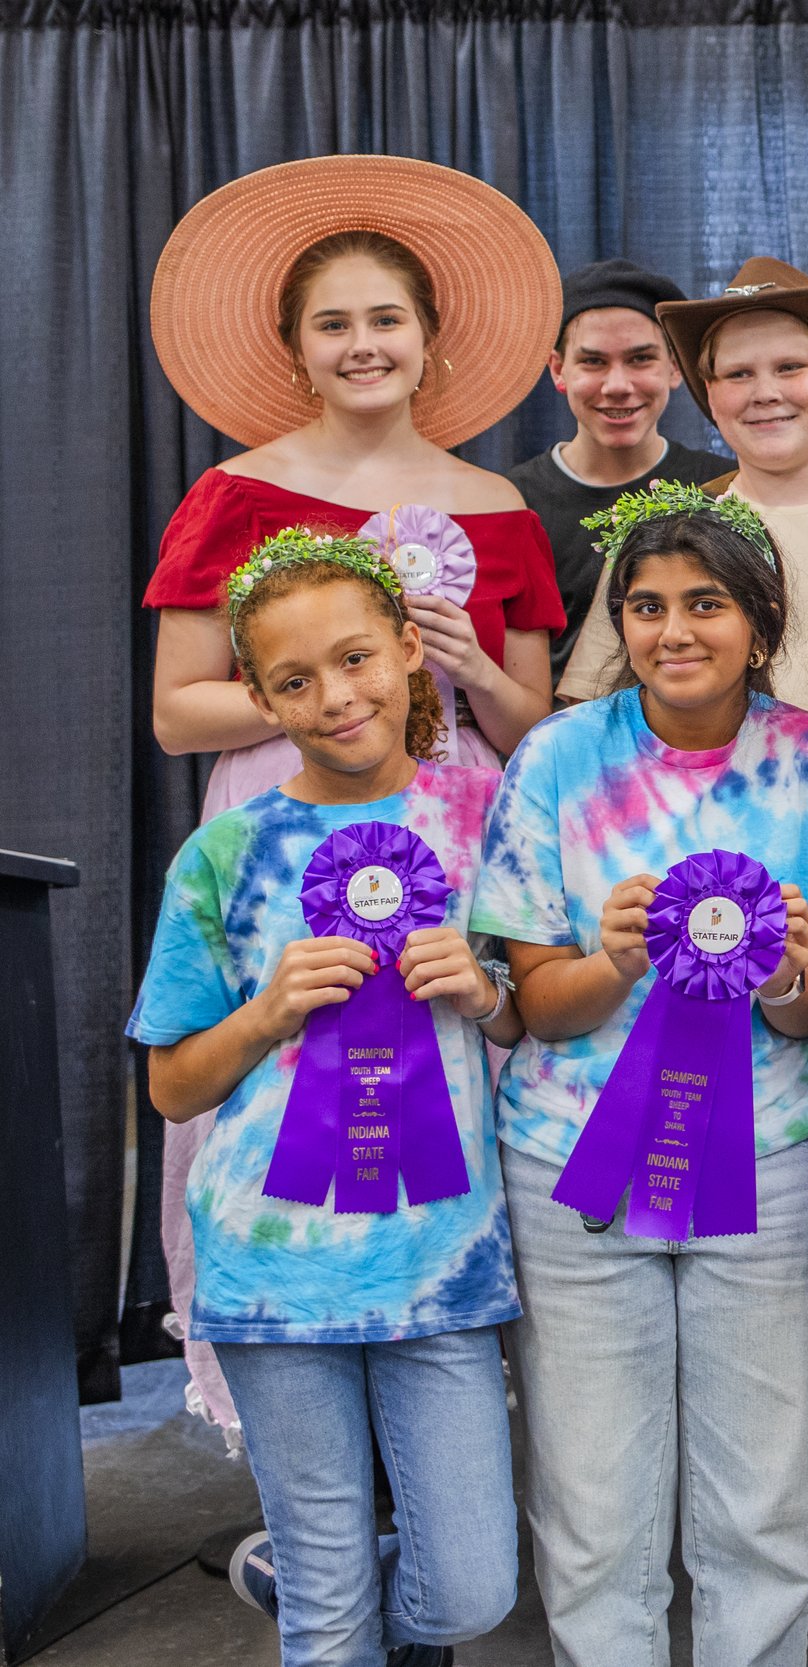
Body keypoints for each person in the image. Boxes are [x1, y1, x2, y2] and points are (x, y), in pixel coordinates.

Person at [143, 155, 565, 1439]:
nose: (364, 342)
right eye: (335, 322)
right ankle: (300, 1424)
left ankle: (451, 1403)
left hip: (455, 819)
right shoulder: (235, 495)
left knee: (456, 1073)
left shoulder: (498, 507)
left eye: (388, 318)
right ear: (295, 349)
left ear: (431, 343)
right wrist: (327, 698)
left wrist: (460, 665)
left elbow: (532, 723)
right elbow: (175, 708)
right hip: (285, 823)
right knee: (290, 1071)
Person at [477, 487, 808, 1667]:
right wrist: (611, 957)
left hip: (767, 1166)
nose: (673, 629)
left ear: (758, 618)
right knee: (594, 1507)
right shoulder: (556, 756)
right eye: (644, 606)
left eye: (704, 602)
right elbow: (536, 1008)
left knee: (766, 1499)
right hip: (572, 1167)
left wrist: (781, 973)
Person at [131, 531, 526, 1666]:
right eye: (294, 681)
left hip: (443, 1260)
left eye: (356, 660)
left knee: (468, 1589)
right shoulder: (223, 852)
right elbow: (170, 1085)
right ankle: (308, 1579)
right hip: (270, 1263)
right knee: (332, 1610)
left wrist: (486, 989)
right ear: (257, 696)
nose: (335, 697)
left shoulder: (488, 812)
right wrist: (262, 1014)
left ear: (410, 649)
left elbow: (533, 1014)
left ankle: (297, 1570)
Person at [559, 256, 808, 716]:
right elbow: (592, 706)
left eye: (790, 367)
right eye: (738, 374)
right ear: (710, 395)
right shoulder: (664, 530)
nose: (766, 392)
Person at [506, 258, 735, 678]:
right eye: (593, 362)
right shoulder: (511, 502)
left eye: (640, 359)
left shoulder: (723, 489)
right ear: (558, 370)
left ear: (675, 367)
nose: (617, 386)